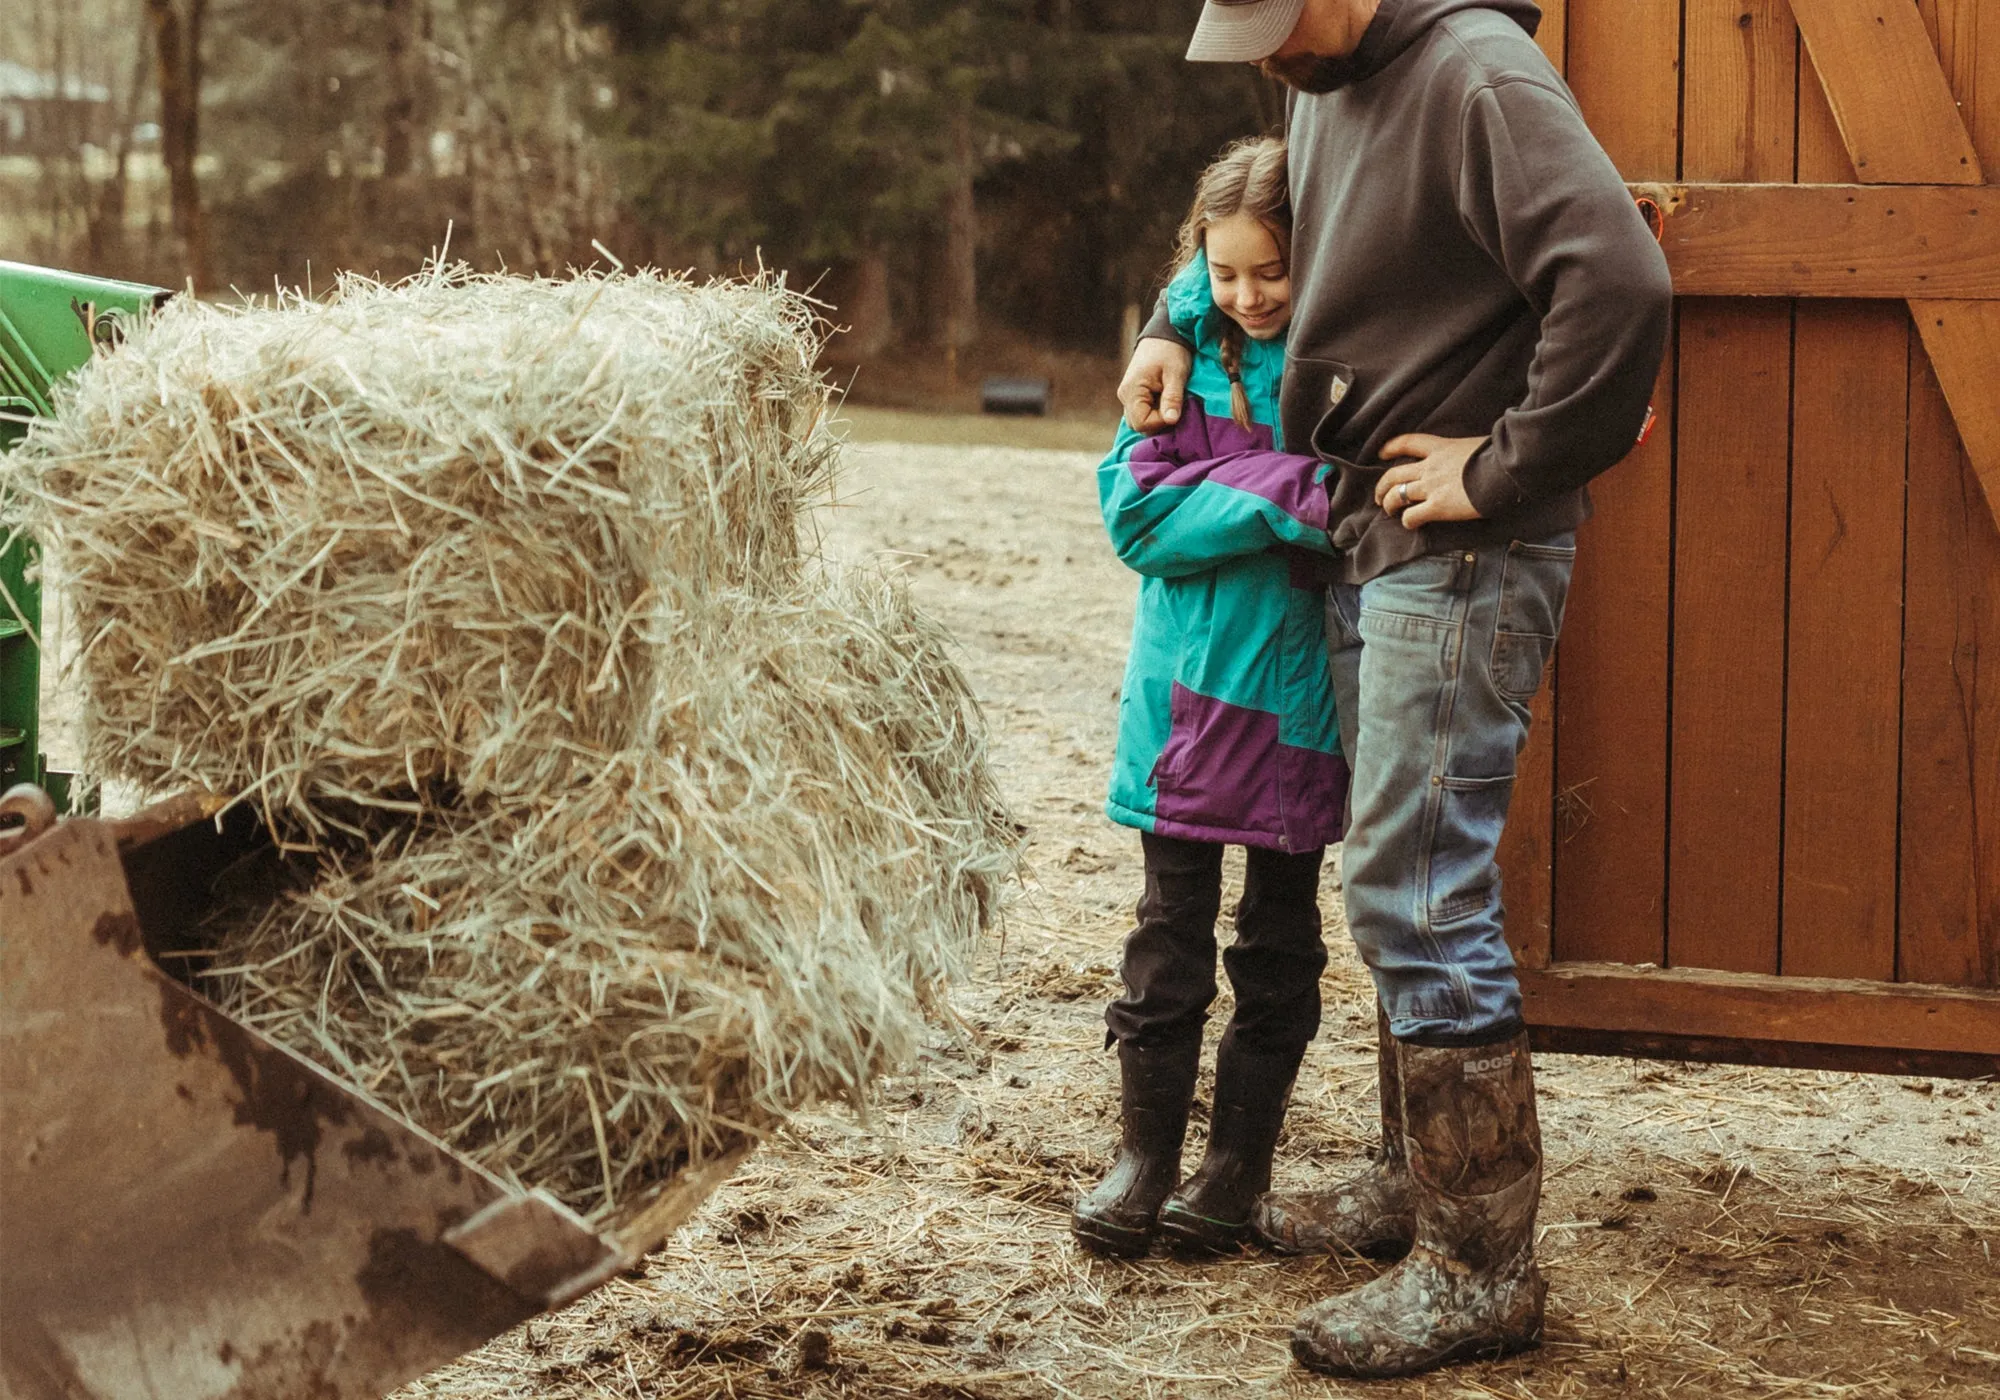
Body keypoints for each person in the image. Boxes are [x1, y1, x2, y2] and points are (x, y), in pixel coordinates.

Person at [1118, 0, 1673, 1378]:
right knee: (1390, 866)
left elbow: (1621, 281)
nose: (1263, 59)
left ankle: (1481, 1265)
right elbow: (1268, 223)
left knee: (1421, 884)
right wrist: (1173, 321)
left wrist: (1501, 467)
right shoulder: (1324, 74)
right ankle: (1408, 1185)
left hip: (1466, 549)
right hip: (1372, 536)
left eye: (1273, 22)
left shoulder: (1478, 73)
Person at [1075, 135, 1348, 1261]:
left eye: (1268, 273)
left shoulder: (1340, 368)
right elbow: (1134, 517)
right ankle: (1142, 1154)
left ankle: (1235, 1165)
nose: (1246, 295)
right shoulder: (1178, 361)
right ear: (1197, 266)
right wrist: (1282, 490)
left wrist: (1229, 487)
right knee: (1164, 937)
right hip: (1181, 702)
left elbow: (1353, 499)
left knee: (1277, 944)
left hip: (1294, 706)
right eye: (1224, 274)